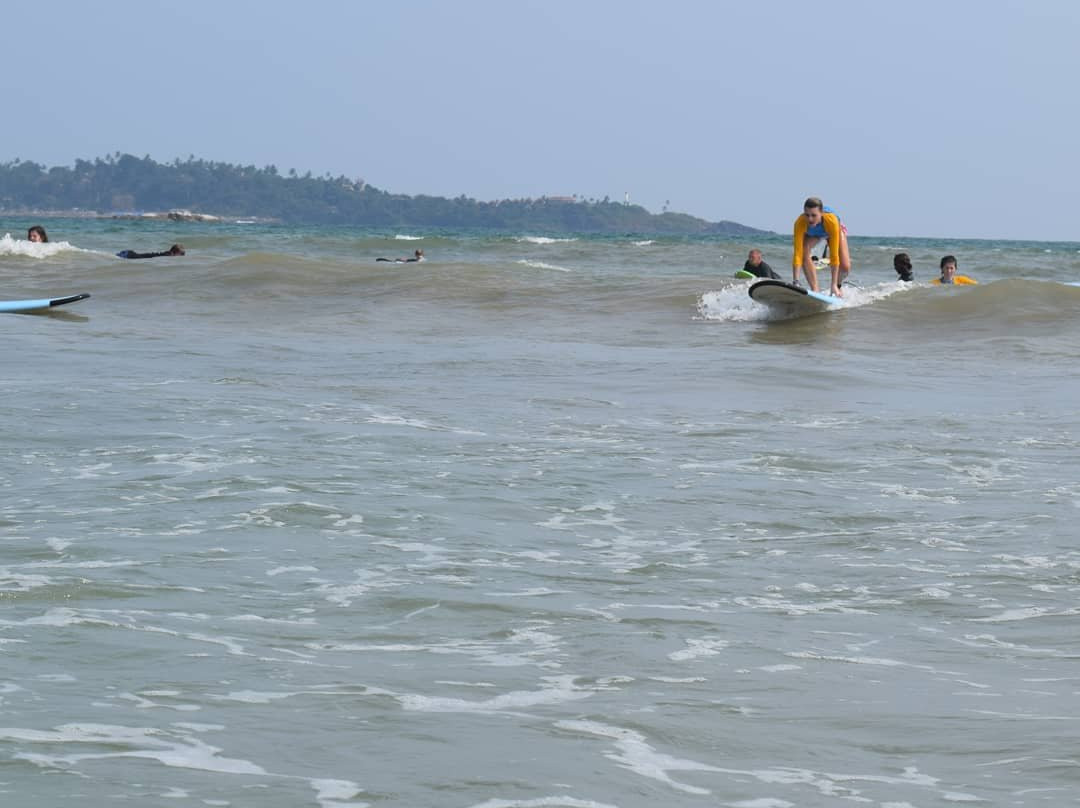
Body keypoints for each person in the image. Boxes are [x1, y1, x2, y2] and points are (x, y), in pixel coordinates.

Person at [792, 197, 851, 297]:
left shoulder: (831, 221)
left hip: (832, 230)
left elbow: (834, 255)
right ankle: (815, 290)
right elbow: (797, 253)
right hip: (815, 234)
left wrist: (833, 284)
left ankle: (837, 286)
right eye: (807, 215)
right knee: (804, 251)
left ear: (821, 213)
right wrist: (795, 281)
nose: (810, 219)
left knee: (845, 267)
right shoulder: (800, 222)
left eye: (814, 215)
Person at [116, 244, 185, 259]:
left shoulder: (167, 254)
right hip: (130, 256)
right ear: (174, 253)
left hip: (129, 253)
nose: (181, 256)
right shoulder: (169, 255)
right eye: (180, 254)